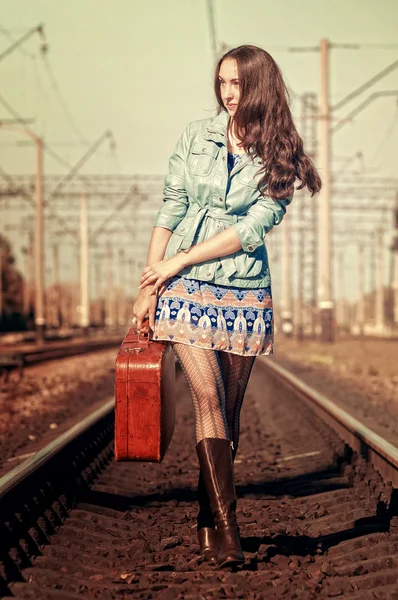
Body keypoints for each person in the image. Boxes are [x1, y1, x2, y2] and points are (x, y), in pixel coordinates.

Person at [132, 44, 322, 568]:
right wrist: (152, 280)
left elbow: (249, 230)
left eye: (237, 84)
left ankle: (206, 517)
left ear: (259, 87)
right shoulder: (197, 136)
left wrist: (179, 260)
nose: (227, 94)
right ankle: (231, 528)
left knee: (229, 419)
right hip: (184, 286)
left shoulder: (280, 153)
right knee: (209, 401)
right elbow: (171, 205)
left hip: (242, 291)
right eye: (221, 83)